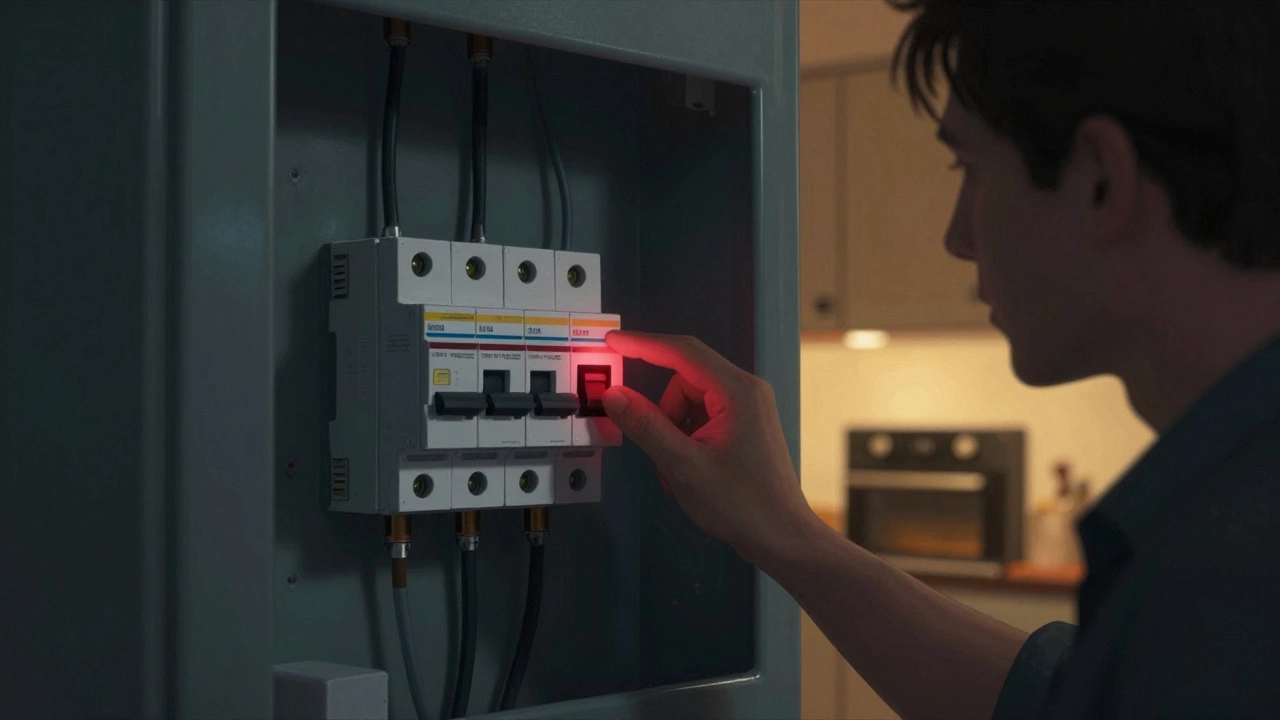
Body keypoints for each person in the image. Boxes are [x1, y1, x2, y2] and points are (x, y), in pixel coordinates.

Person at [599, 1, 1280, 718]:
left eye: (971, 169)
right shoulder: (1224, 529)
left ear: (1101, 179)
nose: (958, 235)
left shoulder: (1231, 570)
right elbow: (1060, 703)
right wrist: (784, 530)